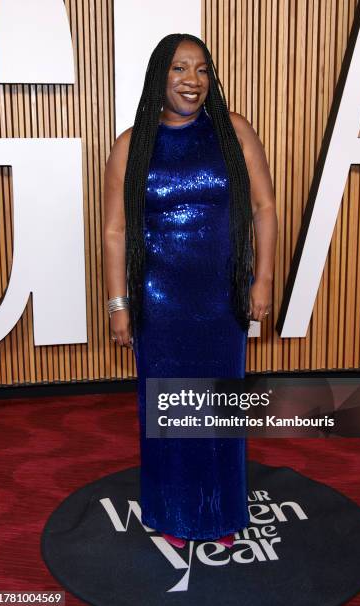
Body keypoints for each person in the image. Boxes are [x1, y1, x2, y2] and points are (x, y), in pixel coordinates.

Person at [103, 33, 277, 549]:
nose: (192, 81)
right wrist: (119, 303)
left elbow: (265, 208)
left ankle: (220, 510)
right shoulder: (131, 143)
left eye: (201, 70)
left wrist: (262, 278)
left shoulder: (234, 132)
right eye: (180, 69)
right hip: (159, 299)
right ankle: (172, 510)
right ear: (160, 75)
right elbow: (115, 231)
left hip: (221, 296)